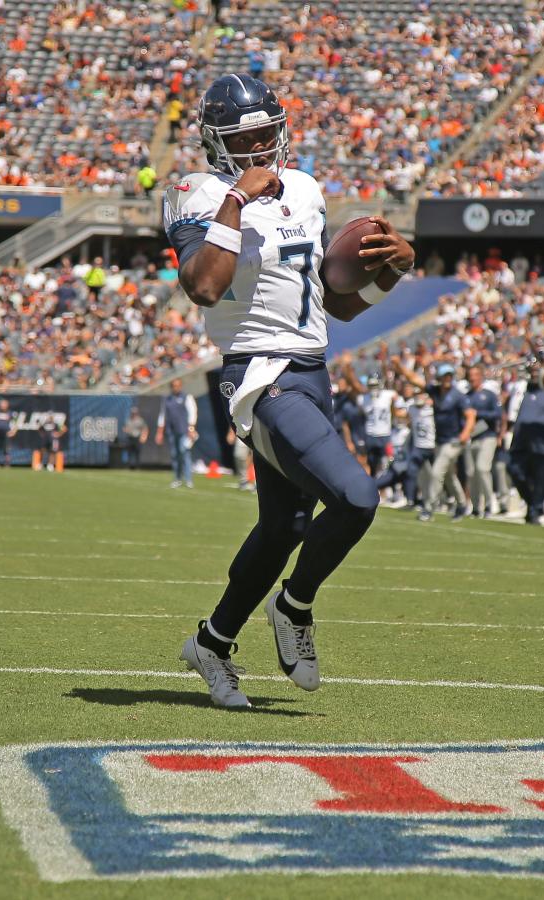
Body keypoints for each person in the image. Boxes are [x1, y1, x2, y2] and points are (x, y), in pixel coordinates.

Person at [162, 73, 413, 708]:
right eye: (247, 136)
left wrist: (392, 277)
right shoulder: (194, 192)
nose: (261, 145)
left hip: (313, 369)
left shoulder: (303, 187)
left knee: (284, 525)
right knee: (357, 498)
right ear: (217, 141)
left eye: (269, 131)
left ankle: (212, 644)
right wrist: (234, 205)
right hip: (259, 377)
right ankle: (294, 606)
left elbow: (336, 306)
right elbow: (204, 287)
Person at [395, 359, 470, 520]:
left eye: (450, 375)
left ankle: (428, 509)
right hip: (440, 441)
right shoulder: (435, 391)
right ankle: (462, 505)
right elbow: (414, 379)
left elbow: (470, 415)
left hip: (454, 441)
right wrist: (399, 366)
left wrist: (465, 433)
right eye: (445, 376)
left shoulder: (457, 395)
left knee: (436, 473)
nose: (448, 379)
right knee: (449, 476)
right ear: (440, 378)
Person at [507, 356, 544, 524]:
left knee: (541, 478)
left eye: (537, 372)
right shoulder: (523, 390)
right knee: (514, 470)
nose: (534, 375)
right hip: (521, 442)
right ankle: (532, 502)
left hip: (543, 444)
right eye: (531, 371)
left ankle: (534, 510)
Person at [463, 363, 503, 518]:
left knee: (482, 468)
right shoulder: (466, 397)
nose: (472, 378)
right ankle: (475, 506)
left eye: (475, 375)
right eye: (470, 375)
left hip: (487, 436)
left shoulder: (489, 395)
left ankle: (488, 504)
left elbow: (497, 414)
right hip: (471, 438)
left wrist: (478, 414)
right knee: (471, 473)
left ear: (480, 376)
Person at [155, 378, 198, 489]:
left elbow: (192, 412)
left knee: (184, 453)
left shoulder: (186, 397)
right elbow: (162, 415)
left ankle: (188, 480)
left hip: (184, 431)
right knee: (175, 455)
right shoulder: (167, 399)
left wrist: (191, 429)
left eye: (178, 385)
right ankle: (177, 479)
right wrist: (159, 432)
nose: (176, 387)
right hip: (172, 431)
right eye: (174, 385)